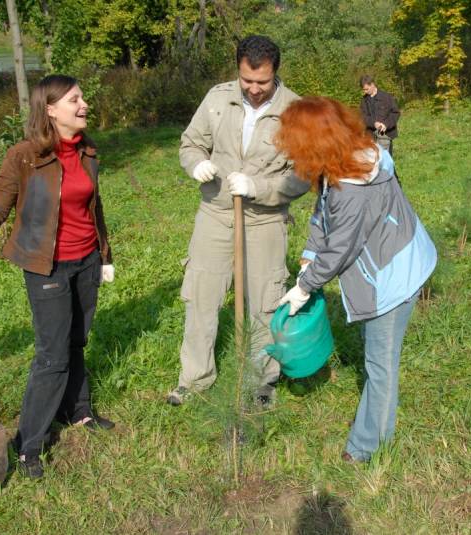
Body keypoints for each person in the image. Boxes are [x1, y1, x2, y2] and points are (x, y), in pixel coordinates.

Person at [0, 74, 115, 479]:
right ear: (50, 109)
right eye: (76, 99)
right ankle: (28, 444)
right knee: (52, 355)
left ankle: (79, 412)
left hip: (86, 260)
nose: (84, 104)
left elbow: (94, 205)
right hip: (46, 265)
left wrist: (105, 254)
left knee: (76, 341)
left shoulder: (88, 150)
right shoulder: (24, 155)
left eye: (82, 97)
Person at [274, 96, 437, 463]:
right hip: (382, 266)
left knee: (380, 365)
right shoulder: (342, 161)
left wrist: (304, 286)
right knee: (375, 350)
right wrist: (309, 257)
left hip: (395, 276)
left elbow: (341, 249)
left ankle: (368, 446)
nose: (291, 153)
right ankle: (372, 435)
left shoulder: (354, 187)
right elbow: (323, 216)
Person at [169, 35, 309, 407]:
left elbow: (302, 175)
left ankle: (262, 382)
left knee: (265, 302)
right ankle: (194, 379)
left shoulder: (295, 110)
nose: (254, 89)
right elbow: (190, 143)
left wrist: (259, 187)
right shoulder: (218, 98)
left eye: (262, 82)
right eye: (247, 81)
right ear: (239, 71)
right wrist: (195, 163)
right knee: (201, 296)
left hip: (264, 221)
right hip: (215, 215)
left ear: (275, 73)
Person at [359, 75, 401, 155]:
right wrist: (374, 123)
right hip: (370, 137)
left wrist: (386, 124)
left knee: (387, 163)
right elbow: (362, 117)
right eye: (363, 89)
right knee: (374, 163)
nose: (365, 91)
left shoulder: (386, 97)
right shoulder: (364, 100)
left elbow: (395, 113)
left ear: (372, 85)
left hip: (385, 136)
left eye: (366, 89)